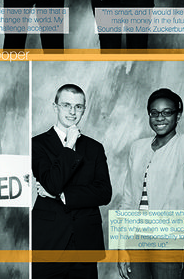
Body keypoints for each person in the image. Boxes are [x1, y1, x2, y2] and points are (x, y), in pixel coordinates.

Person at [118, 88, 184, 279]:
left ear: (178, 115)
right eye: (154, 113)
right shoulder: (137, 147)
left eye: (167, 112)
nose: (160, 118)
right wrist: (122, 246)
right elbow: (128, 198)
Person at [32, 84, 112, 278]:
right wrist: (68, 147)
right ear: (55, 106)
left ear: (84, 109)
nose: (72, 111)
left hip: (85, 241)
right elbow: (52, 183)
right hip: (49, 242)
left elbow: (104, 192)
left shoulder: (95, 147)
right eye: (66, 105)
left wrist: (61, 195)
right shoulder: (37, 144)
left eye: (78, 106)